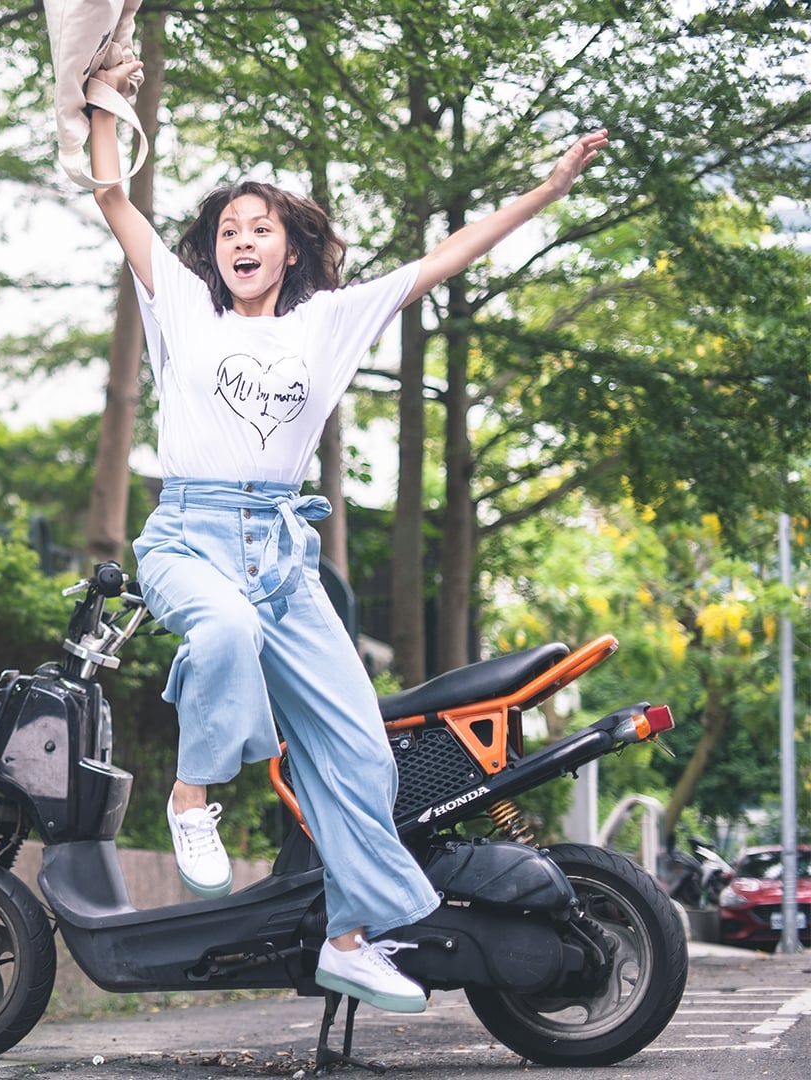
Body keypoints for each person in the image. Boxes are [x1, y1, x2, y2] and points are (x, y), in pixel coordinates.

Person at [84, 58, 608, 1013]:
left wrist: (548, 190)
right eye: (229, 231)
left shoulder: (328, 322)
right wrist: (105, 102)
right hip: (192, 537)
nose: (242, 241)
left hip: (285, 558)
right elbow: (114, 197)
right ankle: (192, 796)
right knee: (224, 633)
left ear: (290, 250)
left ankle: (351, 937)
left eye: (261, 228)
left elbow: (448, 257)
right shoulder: (184, 306)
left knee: (363, 752)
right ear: (214, 251)